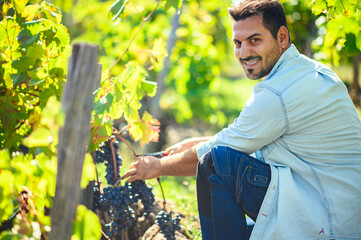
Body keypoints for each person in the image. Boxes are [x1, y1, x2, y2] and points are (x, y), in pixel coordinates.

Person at [122, 0, 361, 239]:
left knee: (215, 165)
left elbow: (217, 153)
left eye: (254, 40)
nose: (244, 53)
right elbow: (252, 137)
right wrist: (195, 143)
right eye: (238, 43)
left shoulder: (276, 94)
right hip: (337, 211)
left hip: (327, 223)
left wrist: (157, 167)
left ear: (282, 37)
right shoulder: (311, 71)